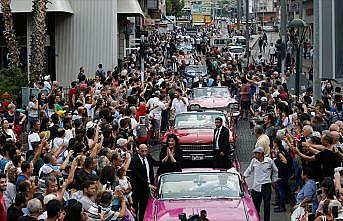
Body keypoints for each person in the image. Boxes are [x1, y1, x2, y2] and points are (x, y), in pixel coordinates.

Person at [243, 147, 278, 221]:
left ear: (261, 154)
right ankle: (256, 218)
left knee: (266, 205)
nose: (255, 155)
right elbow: (249, 169)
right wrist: (243, 176)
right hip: (256, 186)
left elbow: (275, 170)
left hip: (266, 185)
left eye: (256, 153)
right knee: (255, 205)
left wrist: (274, 180)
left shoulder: (269, 161)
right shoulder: (254, 161)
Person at [130, 144, 157, 221]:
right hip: (137, 188)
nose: (144, 153)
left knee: (144, 208)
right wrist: (148, 185)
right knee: (135, 207)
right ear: (138, 151)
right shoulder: (134, 160)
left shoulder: (148, 157)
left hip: (146, 189)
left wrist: (168, 157)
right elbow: (138, 176)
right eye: (142, 151)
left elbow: (156, 163)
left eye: (146, 151)